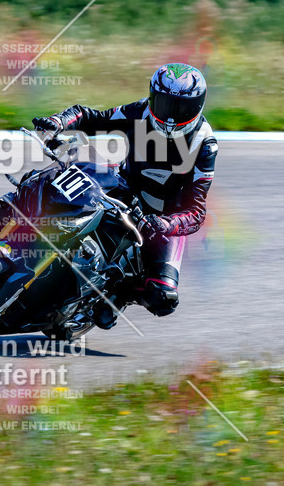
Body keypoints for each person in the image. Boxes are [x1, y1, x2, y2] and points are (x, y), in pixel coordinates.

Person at [31, 63, 218, 324]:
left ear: (198, 107)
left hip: (165, 218)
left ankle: (118, 296)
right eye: (165, 105)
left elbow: (196, 212)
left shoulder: (204, 144)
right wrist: (58, 121)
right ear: (153, 98)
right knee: (61, 193)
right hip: (124, 188)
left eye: (181, 108)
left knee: (163, 298)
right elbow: (91, 117)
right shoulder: (140, 111)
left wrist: (166, 224)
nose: (171, 117)